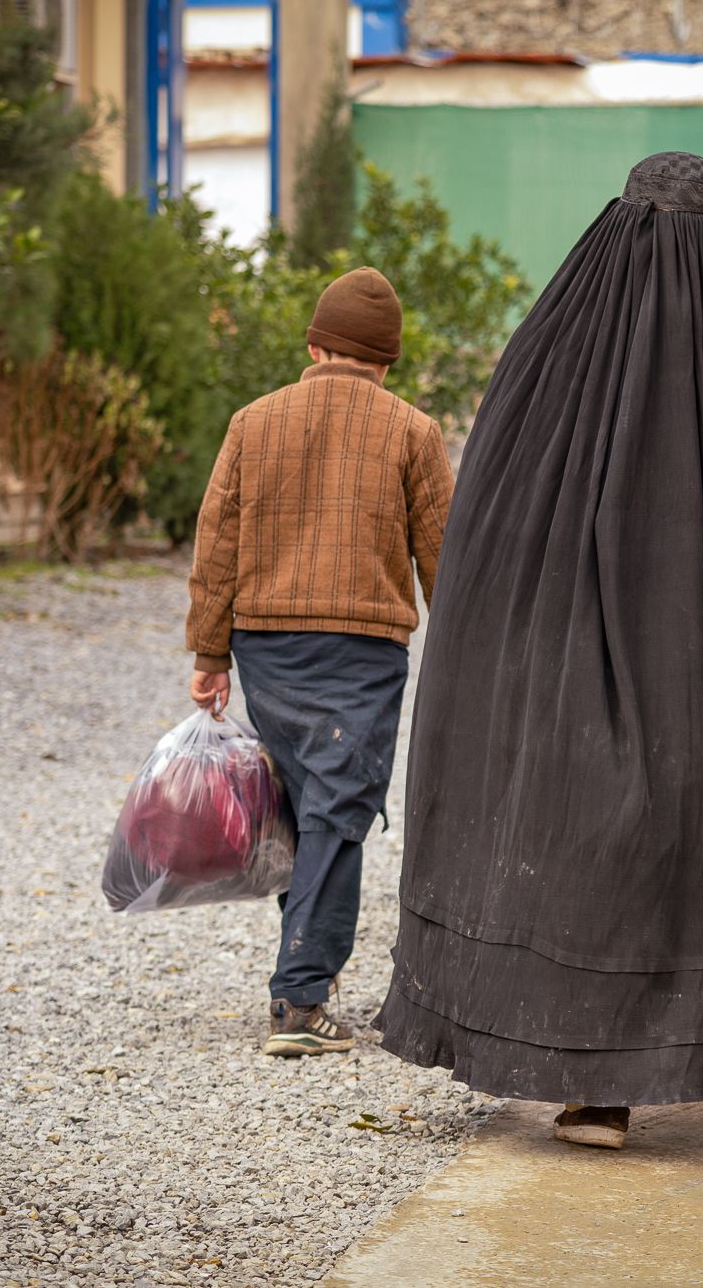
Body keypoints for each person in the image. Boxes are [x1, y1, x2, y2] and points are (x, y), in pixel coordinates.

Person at [374, 152, 703, 1150]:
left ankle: (591, 1086)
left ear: (619, 222)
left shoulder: (552, 355)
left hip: (566, 658)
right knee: (700, 842)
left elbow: (485, 539)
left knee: (582, 837)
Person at [187, 266, 455, 1059]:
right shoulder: (412, 430)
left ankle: (310, 973)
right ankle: (300, 998)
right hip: (363, 649)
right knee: (340, 810)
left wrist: (210, 651)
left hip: (267, 645)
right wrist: (468, 653)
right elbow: (446, 556)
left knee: (310, 804)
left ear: (313, 345)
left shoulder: (252, 421)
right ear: (386, 359)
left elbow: (217, 545)